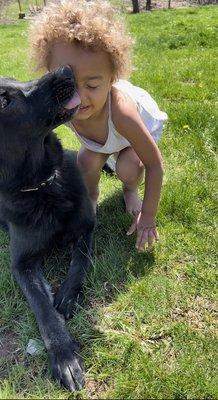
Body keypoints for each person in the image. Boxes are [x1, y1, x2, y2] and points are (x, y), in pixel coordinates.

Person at [29, 0, 167, 251]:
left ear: (113, 78)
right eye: (66, 84)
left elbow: (155, 165)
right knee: (87, 161)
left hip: (127, 135)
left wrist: (148, 216)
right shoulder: (58, 104)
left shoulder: (124, 113)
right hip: (101, 139)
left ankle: (129, 190)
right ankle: (90, 198)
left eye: (92, 85)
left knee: (128, 167)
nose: (77, 98)